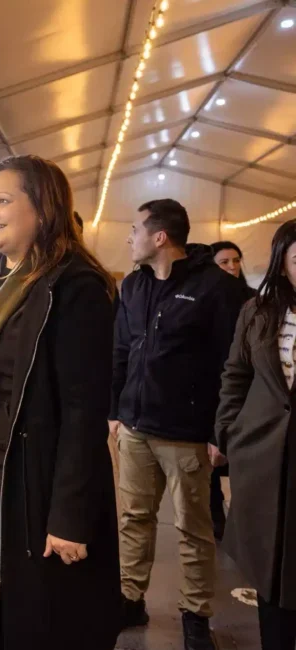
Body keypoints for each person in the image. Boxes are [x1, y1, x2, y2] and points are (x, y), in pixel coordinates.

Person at [0, 155, 121, 650]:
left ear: (44, 209)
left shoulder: (75, 287)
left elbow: (84, 410)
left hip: (33, 490)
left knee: (37, 625)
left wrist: (70, 517)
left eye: (4, 200)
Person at [110, 199, 248, 649]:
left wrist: (218, 431)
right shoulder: (132, 286)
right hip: (135, 425)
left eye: (135, 229)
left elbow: (234, 365)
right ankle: (131, 597)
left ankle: (195, 614)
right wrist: (115, 409)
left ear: (160, 237)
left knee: (193, 529)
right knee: (133, 517)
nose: (129, 237)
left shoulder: (215, 289)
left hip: (187, 433)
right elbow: (121, 350)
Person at [217, 220, 296, 650]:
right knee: (269, 566)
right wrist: (229, 433)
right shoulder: (259, 312)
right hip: (263, 455)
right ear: (282, 263)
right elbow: (236, 374)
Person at [208, 240, 256, 541]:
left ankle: (242, 525)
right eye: (224, 262)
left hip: (250, 395)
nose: (232, 267)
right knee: (212, 469)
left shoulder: (254, 301)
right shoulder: (208, 302)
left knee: (245, 466)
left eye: (236, 260)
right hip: (215, 392)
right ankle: (217, 521)